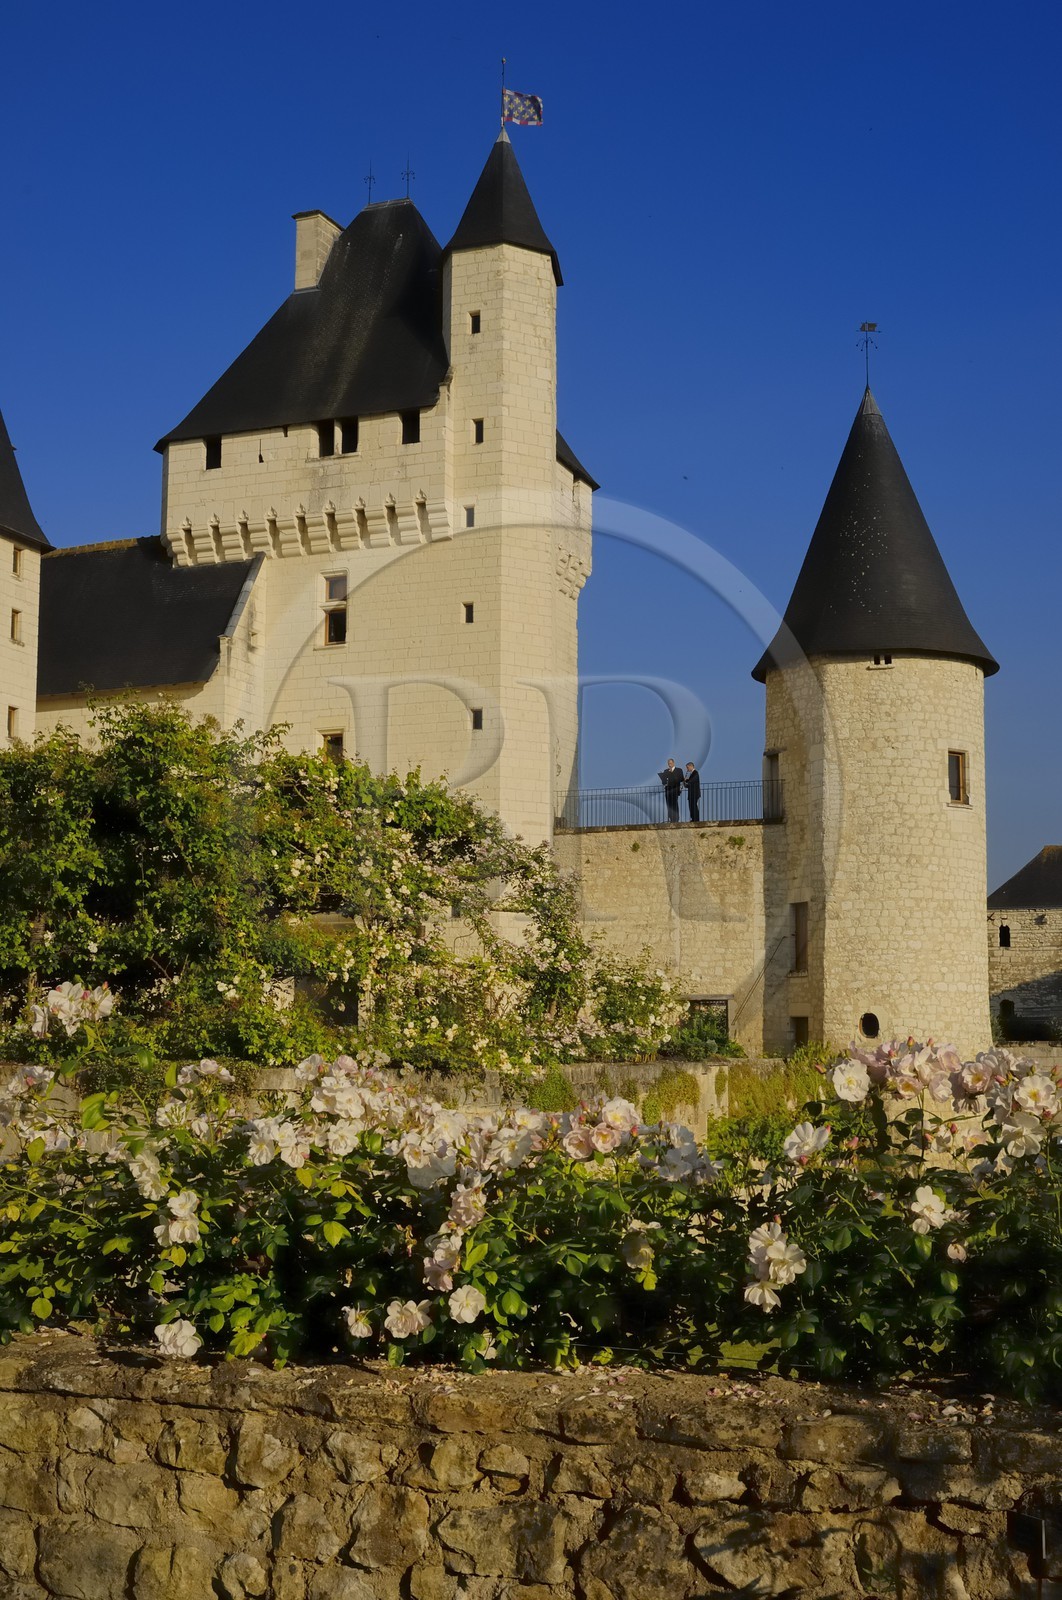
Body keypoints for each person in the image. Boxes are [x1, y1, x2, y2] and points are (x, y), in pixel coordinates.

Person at [658, 758, 683, 823]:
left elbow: (681, 779)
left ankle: (676, 819)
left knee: (674, 804)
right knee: (669, 805)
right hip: (668, 790)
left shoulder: (679, 770)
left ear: (673, 763)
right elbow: (664, 782)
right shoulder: (666, 771)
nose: (669, 765)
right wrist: (663, 778)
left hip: (675, 789)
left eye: (671, 763)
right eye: (669, 764)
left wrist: (672, 774)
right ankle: (671, 819)